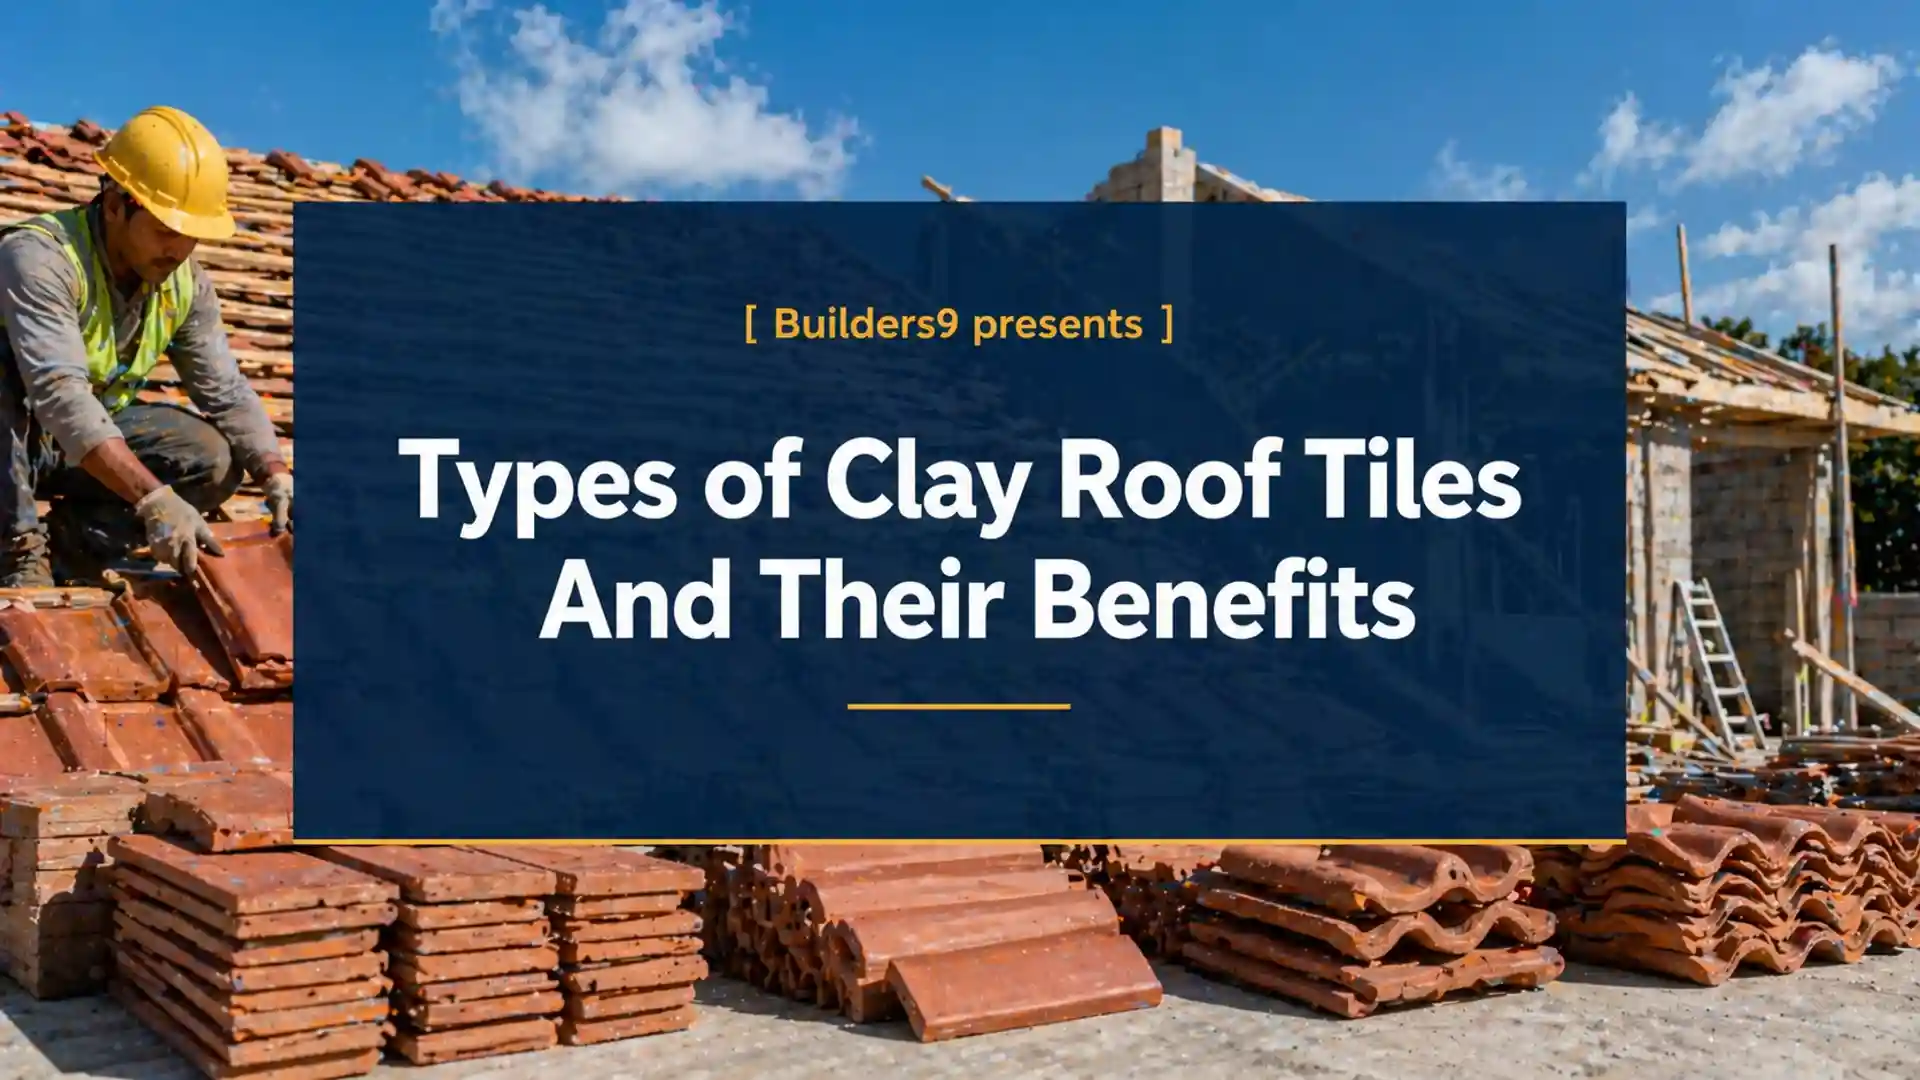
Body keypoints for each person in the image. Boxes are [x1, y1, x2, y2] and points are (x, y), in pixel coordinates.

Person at [0, 105, 291, 587]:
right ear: (115, 205)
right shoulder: (38, 258)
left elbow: (227, 392)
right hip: (14, 436)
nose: (178, 250)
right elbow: (59, 393)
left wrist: (275, 473)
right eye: (165, 231)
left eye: (190, 237)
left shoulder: (183, 285)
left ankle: (73, 547)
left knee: (212, 457)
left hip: (62, 448)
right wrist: (153, 498)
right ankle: (15, 551)